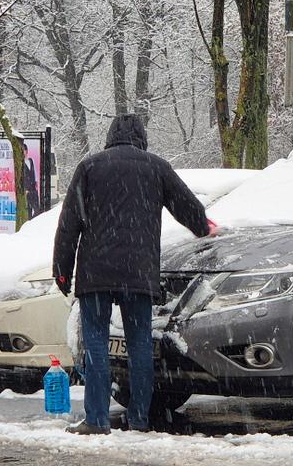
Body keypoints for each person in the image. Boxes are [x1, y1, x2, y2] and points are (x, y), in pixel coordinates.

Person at [54, 114, 211, 435]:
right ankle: (139, 417)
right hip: (138, 274)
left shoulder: (90, 167)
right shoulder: (156, 167)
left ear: (110, 136)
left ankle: (96, 419)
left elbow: (69, 223)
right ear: (142, 137)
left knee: (95, 344)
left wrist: (61, 271)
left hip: (95, 273)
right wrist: (204, 227)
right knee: (140, 345)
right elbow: (188, 207)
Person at [22, 143, 40, 219]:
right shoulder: (20, 163)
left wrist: (36, 181)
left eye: (23, 150)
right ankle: (29, 225)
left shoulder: (31, 160)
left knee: (37, 209)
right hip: (27, 189)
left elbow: (34, 171)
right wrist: (24, 189)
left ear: (26, 151)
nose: (23, 152)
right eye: (21, 150)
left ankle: (32, 223)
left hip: (33, 187)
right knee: (28, 210)